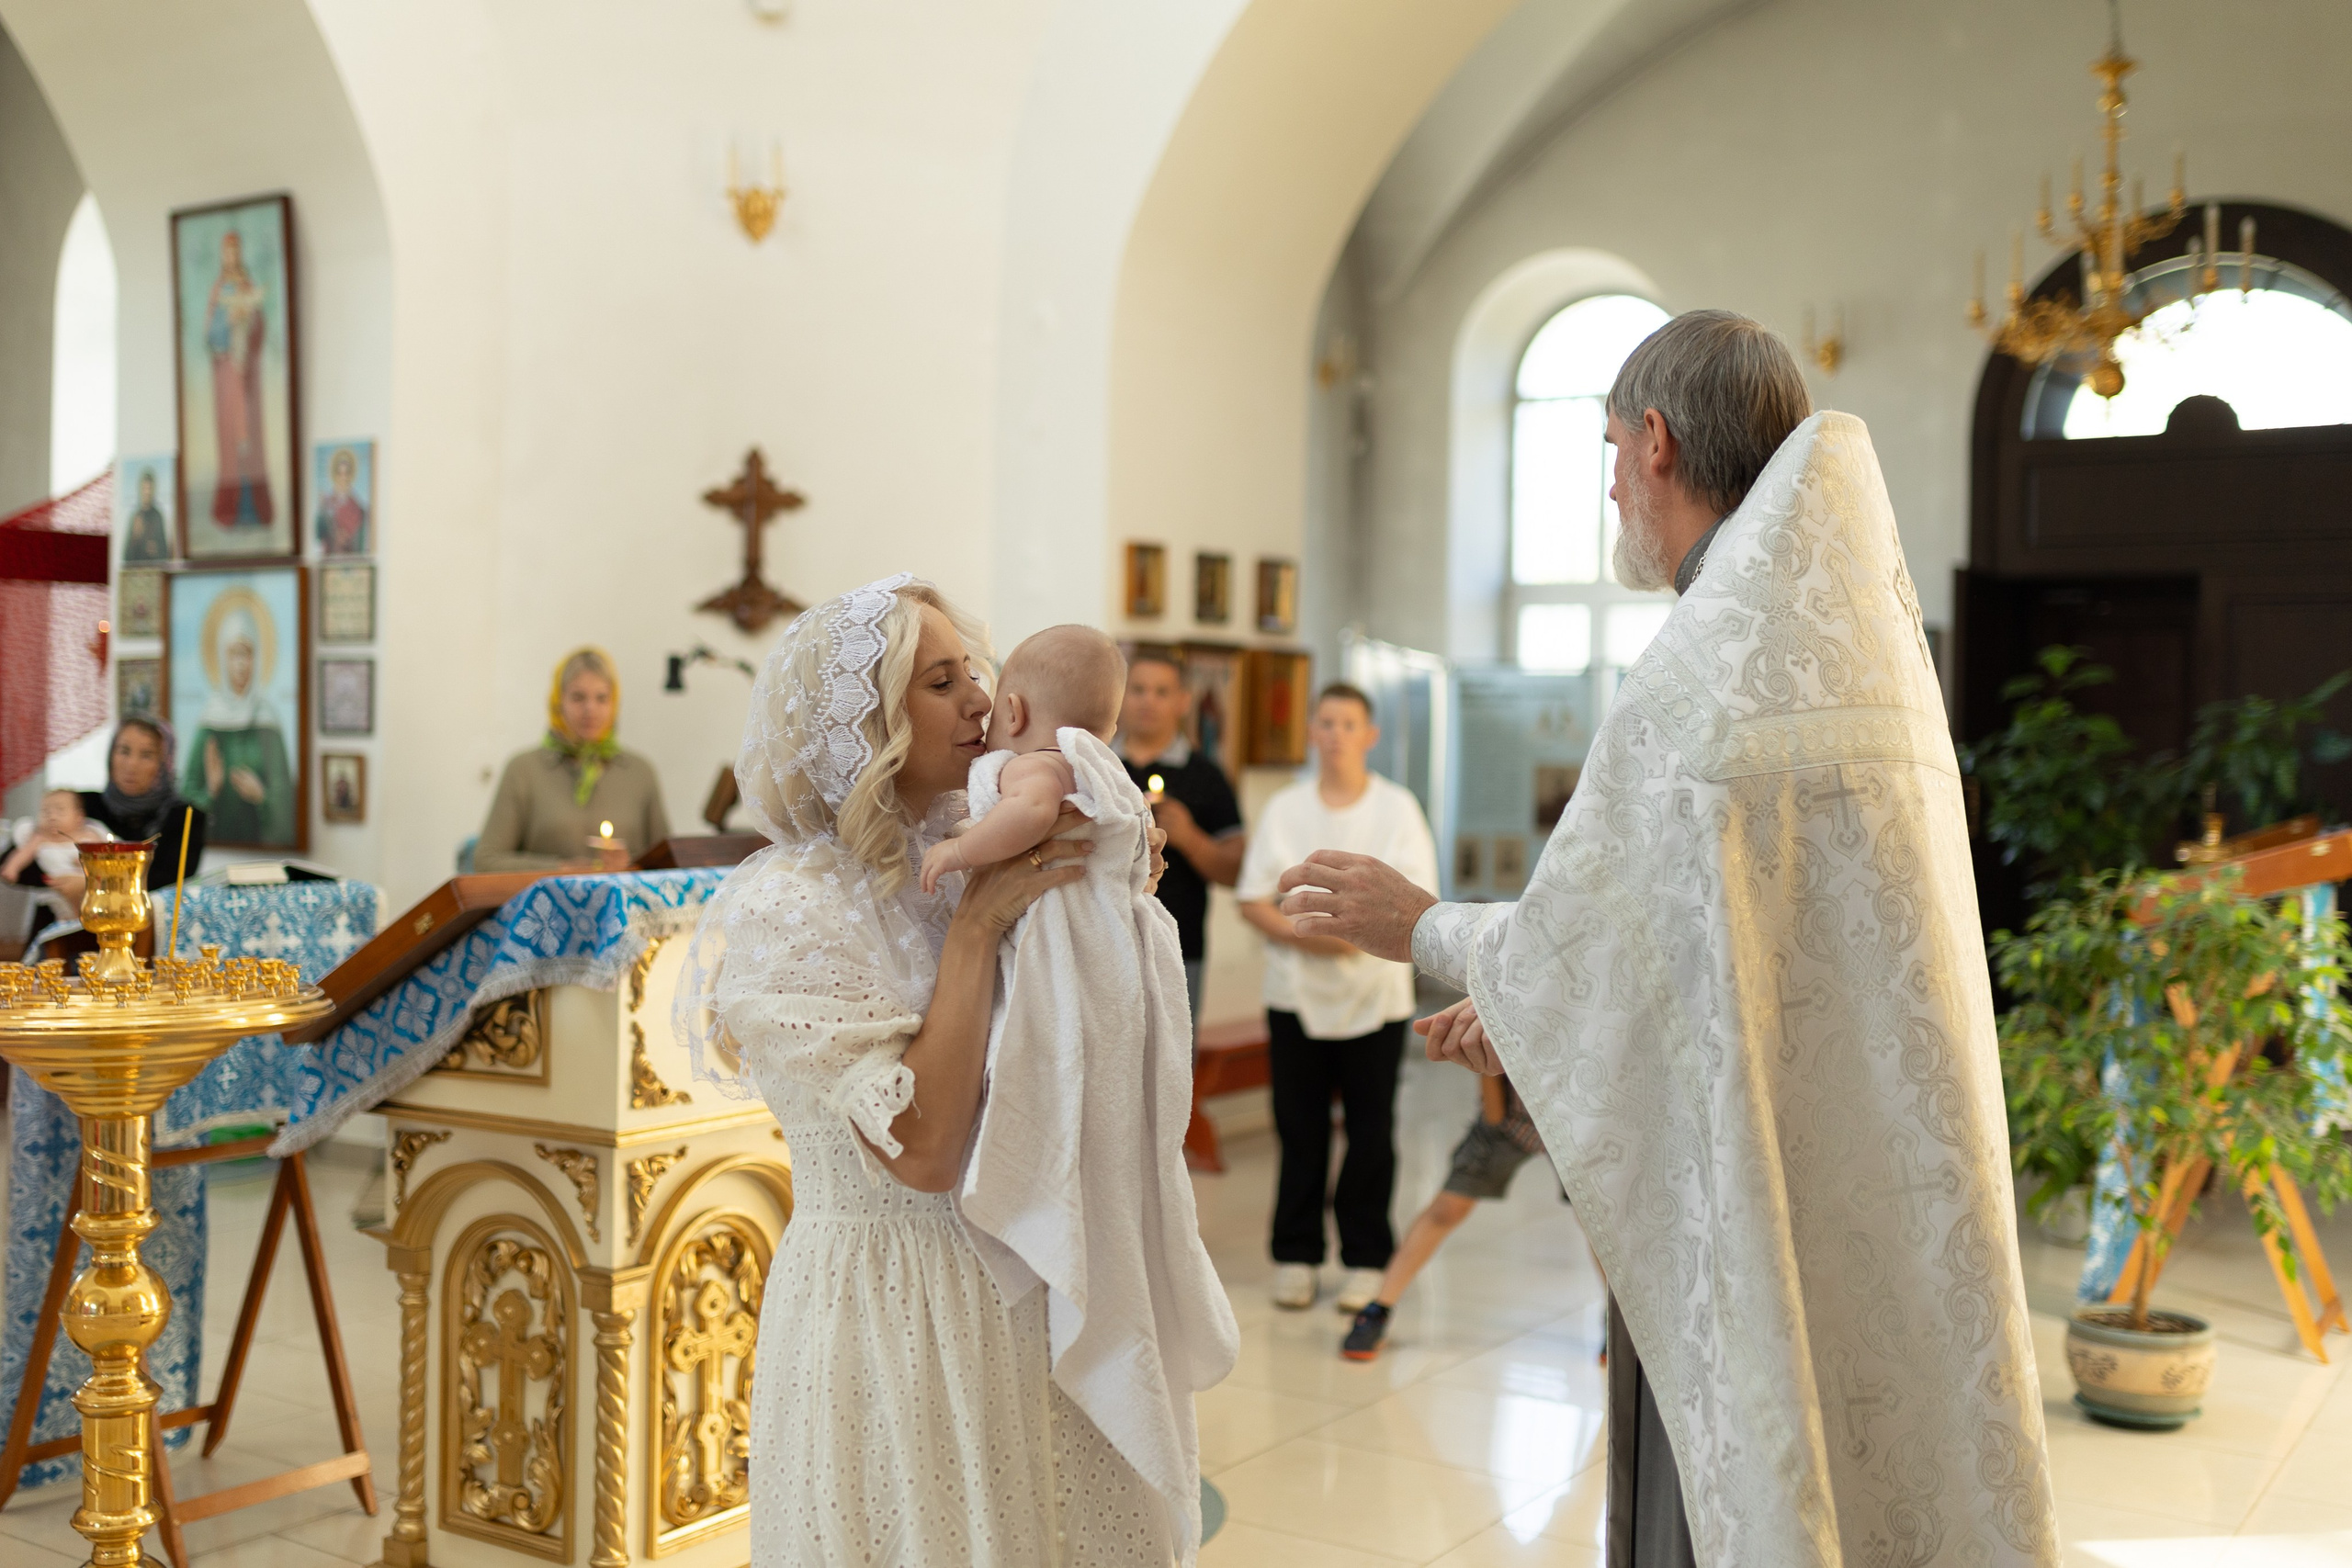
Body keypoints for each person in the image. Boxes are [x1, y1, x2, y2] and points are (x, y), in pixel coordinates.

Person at [1272, 312, 2057, 1567]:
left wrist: (1424, 926)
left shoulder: (1708, 664)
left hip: (1742, 1183)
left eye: (1606, 448)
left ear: (1656, 439)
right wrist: (1551, 1000)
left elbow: (1650, 923)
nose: (1608, 485)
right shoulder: (1854, 645)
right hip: (1868, 1156)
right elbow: (1718, 938)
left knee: (1735, 1464)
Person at [676, 575, 1199, 1565]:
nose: (978, 699)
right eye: (938, 680)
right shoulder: (795, 905)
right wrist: (976, 928)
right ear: (867, 721)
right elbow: (919, 1151)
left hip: (1030, 1282)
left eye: (975, 672)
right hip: (890, 1308)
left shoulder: (994, 844)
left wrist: (1110, 914)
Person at [1235, 683, 1439, 1314]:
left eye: (1349, 723)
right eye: (1326, 722)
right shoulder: (1286, 808)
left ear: (1369, 735)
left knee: (1371, 1130)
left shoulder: (1397, 808)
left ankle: (1366, 1256)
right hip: (1294, 993)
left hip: (1374, 997)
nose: (1336, 734)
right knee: (1299, 1128)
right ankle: (1296, 1255)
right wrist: (1307, 934)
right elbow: (1252, 898)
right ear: (1312, 733)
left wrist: (1348, 939)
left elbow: (1417, 902)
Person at [1338, 1072, 1550, 1362]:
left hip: (1582, 1123)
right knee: (1447, 1208)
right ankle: (1378, 1310)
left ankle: (1615, 1320)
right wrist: (1493, 1113)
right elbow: (1489, 1053)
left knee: (1597, 1223)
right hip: (1510, 1119)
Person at [1117, 653, 1244, 1027]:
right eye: (1138, 690)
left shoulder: (1206, 776)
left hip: (1178, 946)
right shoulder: (1100, 766)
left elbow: (1236, 871)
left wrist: (1189, 838)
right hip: (1102, 942)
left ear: (1183, 701)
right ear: (1121, 696)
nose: (1148, 701)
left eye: (1161, 691)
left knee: (1171, 1065)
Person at [475, 647, 671, 872]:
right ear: (558, 702)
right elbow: (486, 861)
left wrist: (628, 866)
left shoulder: (639, 772)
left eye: (602, 698)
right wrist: (562, 870)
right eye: (578, 697)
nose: (590, 709)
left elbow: (667, 863)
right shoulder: (523, 770)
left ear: (615, 703)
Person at [10, 717, 209, 936]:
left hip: (143, 938)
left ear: (165, 763)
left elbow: (170, 880)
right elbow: (13, 860)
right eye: (123, 751)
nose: (131, 765)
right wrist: (62, 876)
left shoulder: (185, 817)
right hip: (61, 935)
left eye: (147, 755)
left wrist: (95, 885)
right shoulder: (82, 805)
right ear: (110, 755)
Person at [180, 604, 296, 846]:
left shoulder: (267, 721)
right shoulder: (208, 723)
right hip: (214, 853)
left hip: (263, 850)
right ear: (223, 658)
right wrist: (210, 791)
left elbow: (285, 797)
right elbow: (186, 800)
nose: (241, 665)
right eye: (234, 654)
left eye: (248, 654)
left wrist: (262, 796)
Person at [205, 228, 274, 528]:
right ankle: (230, 508)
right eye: (227, 252)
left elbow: (259, 328)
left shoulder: (247, 286)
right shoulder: (219, 291)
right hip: (227, 376)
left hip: (247, 378)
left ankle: (254, 507)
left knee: (250, 438)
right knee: (232, 437)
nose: (231, 257)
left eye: (235, 251)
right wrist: (228, 322)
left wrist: (249, 317)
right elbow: (210, 335)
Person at [3, 791, 113, 928]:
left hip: (89, 883)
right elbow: (23, 854)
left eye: (60, 811)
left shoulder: (88, 834)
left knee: (93, 902)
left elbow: (104, 855)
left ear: (79, 817)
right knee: (65, 908)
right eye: (46, 812)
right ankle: (73, 920)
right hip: (58, 889)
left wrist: (86, 860)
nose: (52, 817)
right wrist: (11, 868)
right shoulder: (40, 837)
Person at [314, 445, 369, 555]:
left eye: (346, 473)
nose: (343, 478)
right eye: (340, 473)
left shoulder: (356, 505)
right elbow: (319, 534)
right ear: (335, 475)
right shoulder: (326, 502)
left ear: (351, 475)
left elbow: (359, 533)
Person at [123, 466, 172, 561]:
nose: (147, 492)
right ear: (140, 490)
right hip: (137, 571)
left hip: (153, 569)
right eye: (144, 488)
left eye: (149, 488)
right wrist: (135, 537)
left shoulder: (158, 516)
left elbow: (165, 553)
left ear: (153, 490)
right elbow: (126, 556)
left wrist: (156, 551)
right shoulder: (135, 517)